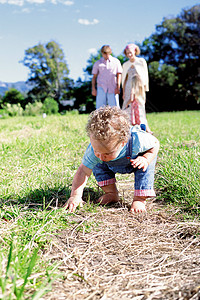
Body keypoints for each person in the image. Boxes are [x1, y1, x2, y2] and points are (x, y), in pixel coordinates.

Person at [64, 106, 159, 214]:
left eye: (107, 152)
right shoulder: (94, 151)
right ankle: (111, 193)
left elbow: (155, 144)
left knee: (145, 168)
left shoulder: (137, 140)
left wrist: (145, 159)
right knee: (97, 165)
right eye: (96, 150)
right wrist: (75, 196)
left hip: (136, 160)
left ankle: (139, 199)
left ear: (123, 143)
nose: (100, 155)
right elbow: (83, 171)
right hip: (110, 164)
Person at [122, 43, 152, 133]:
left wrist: (145, 87)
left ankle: (144, 126)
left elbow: (145, 75)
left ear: (135, 51)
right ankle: (128, 126)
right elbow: (124, 79)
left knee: (140, 105)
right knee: (127, 105)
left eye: (130, 52)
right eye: (127, 53)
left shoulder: (141, 61)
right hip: (128, 86)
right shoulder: (125, 65)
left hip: (138, 86)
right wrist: (123, 91)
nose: (129, 55)